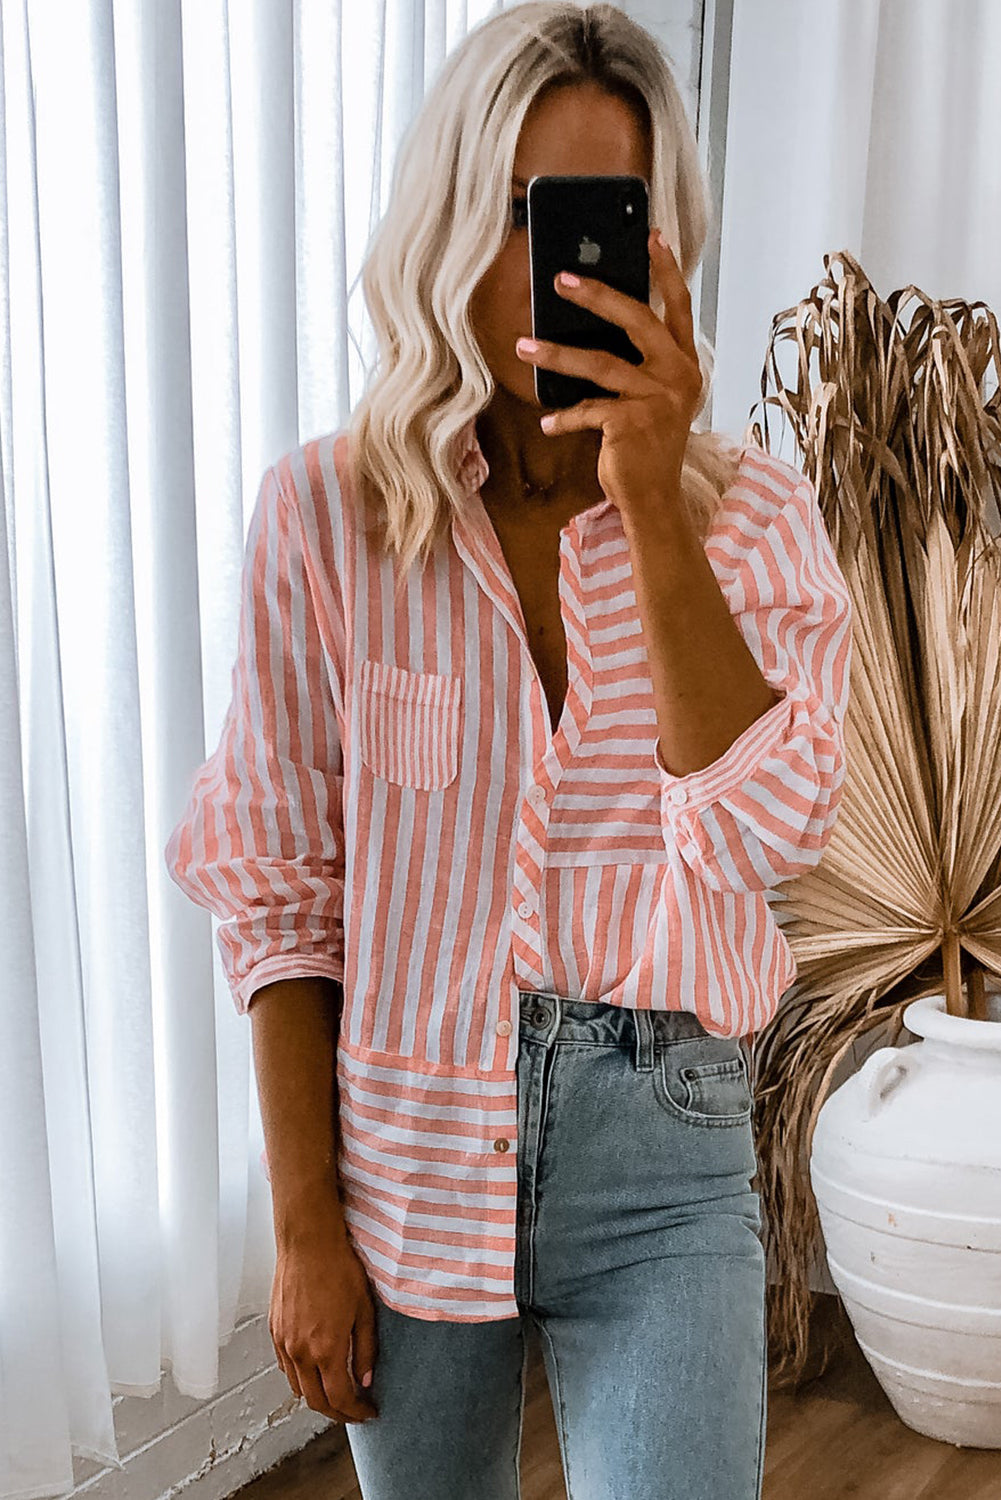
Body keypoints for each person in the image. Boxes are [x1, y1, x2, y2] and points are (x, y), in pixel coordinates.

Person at [165, 4, 853, 1497]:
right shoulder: (328, 520)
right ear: (451, 221)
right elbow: (283, 894)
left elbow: (772, 838)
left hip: (663, 1151)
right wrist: (303, 1226)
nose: (565, 268)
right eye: (529, 214)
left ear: (664, 248)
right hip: (405, 1140)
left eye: (606, 219)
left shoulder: (753, 525)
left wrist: (653, 504)